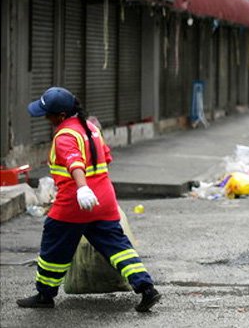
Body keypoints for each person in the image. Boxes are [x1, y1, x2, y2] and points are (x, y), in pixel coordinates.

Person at [18, 87, 161, 312]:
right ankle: (146, 288)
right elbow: (107, 156)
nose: (46, 118)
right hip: (104, 201)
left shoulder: (65, 135)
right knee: (118, 247)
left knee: (53, 247)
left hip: (75, 202)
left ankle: (45, 295)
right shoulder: (91, 128)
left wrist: (83, 188)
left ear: (61, 116)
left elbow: (75, 163)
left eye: (48, 114)